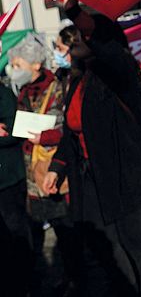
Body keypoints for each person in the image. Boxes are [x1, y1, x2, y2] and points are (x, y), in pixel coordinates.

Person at [43, 0, 141, 297]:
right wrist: (57, 168)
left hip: (129, 175)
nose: (74, 45)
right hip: (95, 180)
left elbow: (103, 45)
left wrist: (73, 10)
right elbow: (73, 133)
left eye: (83, 38)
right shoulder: (78, 80)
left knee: (140, 250)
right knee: (112, 251)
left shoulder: (118, 74)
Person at [8, 34, 78, 294]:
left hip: (52, 168)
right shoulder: (25, 90)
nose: (13, 70)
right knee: (37, 226)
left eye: (17, 65)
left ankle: (75, 278)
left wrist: (44, 136)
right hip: (32, 171)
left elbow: (65, 128)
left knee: (64, 228)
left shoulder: (57, 86)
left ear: (35, 65)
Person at [0, 71, 32, 297]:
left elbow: (15, 130)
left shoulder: (3, 95)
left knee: (14, 233)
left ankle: (23, 284)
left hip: (8, 179)